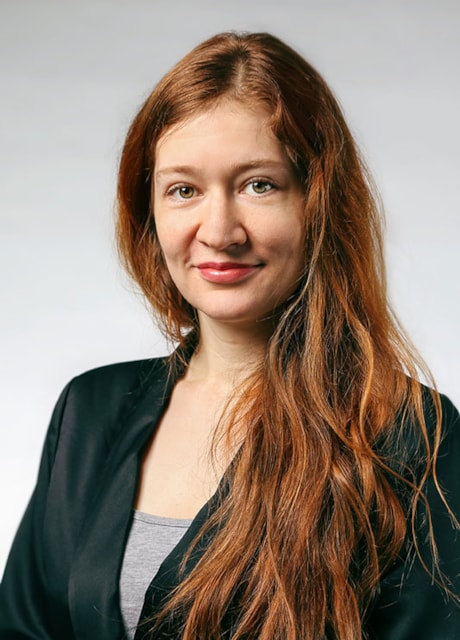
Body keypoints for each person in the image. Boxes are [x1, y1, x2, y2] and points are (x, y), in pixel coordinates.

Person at [0, 31, 458, 640]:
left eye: (258, 185)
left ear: (319, 204)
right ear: (149, 211)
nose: (219, 231)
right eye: (183, 190)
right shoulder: (89, 411)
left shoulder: (409, 435)